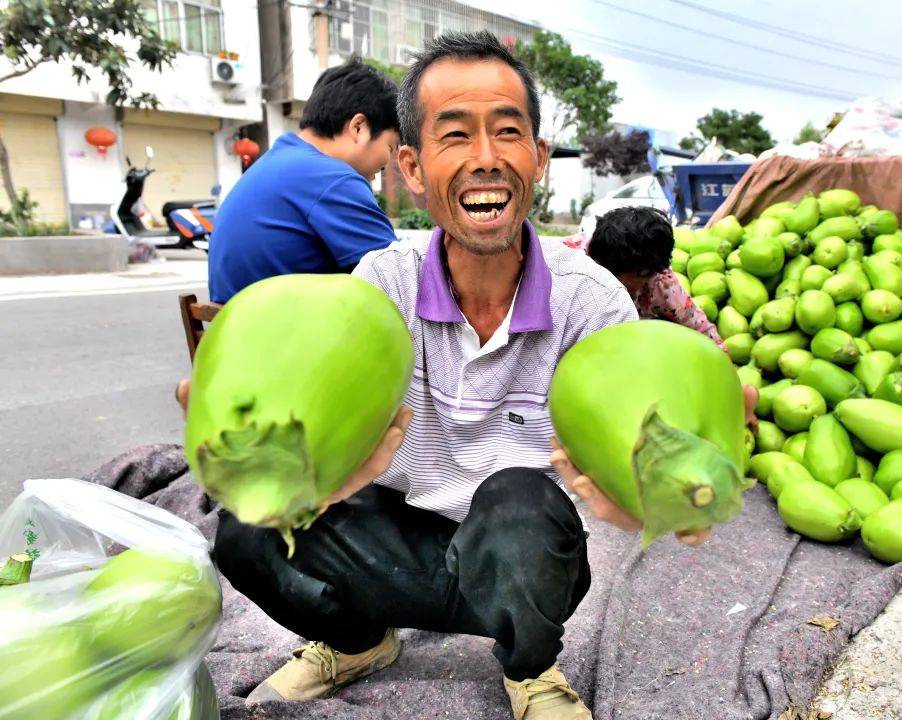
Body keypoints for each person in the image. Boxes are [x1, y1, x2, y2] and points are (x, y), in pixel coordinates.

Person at [210, 32, 734, 720]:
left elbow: (641, 438)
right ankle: (357, 642)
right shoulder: (381, 286)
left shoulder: (590, 298)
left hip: (520, 559)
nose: (485, 158)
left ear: (538, 159)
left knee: (518, 499)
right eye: (454, 135)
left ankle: (531, 670)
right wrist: (258, 421)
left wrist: (669, 487)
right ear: (413, 166)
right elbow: (317, 414)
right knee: (243, 528)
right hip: (392, 538)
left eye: (508, 132)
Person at [208, 58, 400, 304]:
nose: (388, 162)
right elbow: (397, 278)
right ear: (359, 127)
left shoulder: (274, 164)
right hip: (292, 339)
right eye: (391, 146)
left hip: (235, 337)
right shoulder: (334, 179)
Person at [571, 206, 758, 425]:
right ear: (600, 263)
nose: (615, 287)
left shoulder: (661, 284)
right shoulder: (563, 269)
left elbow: (705, 334)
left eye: (645, 276)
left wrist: (734, 397)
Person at [581, 205, 726, 348]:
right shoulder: (570, 269)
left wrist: (723, 361)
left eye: (646, 274)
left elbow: (699, 327)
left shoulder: (660, 282)